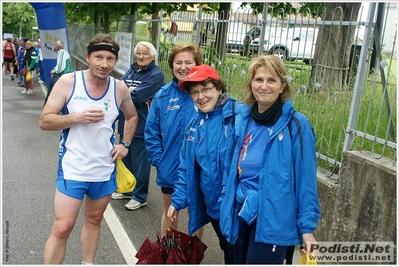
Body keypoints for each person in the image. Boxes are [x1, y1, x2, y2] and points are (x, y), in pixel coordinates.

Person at [39, 33, 138, 265]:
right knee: (63, 227)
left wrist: (125, 144)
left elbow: (132, 117)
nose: (104, 64)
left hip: (104, 168)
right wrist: (76, 117)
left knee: (94, 219)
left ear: (116, 61)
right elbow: (44, 121)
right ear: (88, 57)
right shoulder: (68, 82)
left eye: (110, 59)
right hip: (73, 166)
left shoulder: (119, 88)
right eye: (98, 57)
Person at [218, 54, 320, 264]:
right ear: (251, 84)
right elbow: (231, 170)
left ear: (283, 86)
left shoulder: (297, 125)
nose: (264, 86)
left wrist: (307, 229)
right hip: (240, 214)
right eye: (259, 79)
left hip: (274, 221)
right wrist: (224, 204)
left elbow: (306, 180)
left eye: (272, 80)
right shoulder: (243, 120)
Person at [167, 64, 246, 263]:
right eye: (195, 92)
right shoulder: (195, 124)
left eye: (206, 89)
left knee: (240, 254)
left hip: (236, 207)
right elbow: (186, 167)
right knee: (228, 249)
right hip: (214, 208)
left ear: (219, 88)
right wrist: (177, 201)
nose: (201, 96)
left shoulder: (240, 117)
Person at [145, 42, 205, 238]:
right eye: (178, 62)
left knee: (195, 215)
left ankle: (191, 257)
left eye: (189, 62)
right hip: (170, 166)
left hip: (199, 167)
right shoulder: (162, 96)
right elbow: (151, 131)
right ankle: (167, 255)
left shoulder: (205, 94)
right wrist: (159, 161)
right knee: (170, 213)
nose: (183, 67)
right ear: (172, 66)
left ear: (197, 64)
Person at [111, 41, 165, 210]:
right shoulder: (132, 69)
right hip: (126, 122)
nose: (141, 57)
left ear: (153, 56)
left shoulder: (156, 75)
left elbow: (137, 98)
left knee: (141, 162)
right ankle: (127, 189)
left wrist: (129, 91)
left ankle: (140, 195)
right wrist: (129, 90)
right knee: (126, 157)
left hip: (143, 124)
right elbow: (118, 90)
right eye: (139, 53)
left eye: (145, 54)